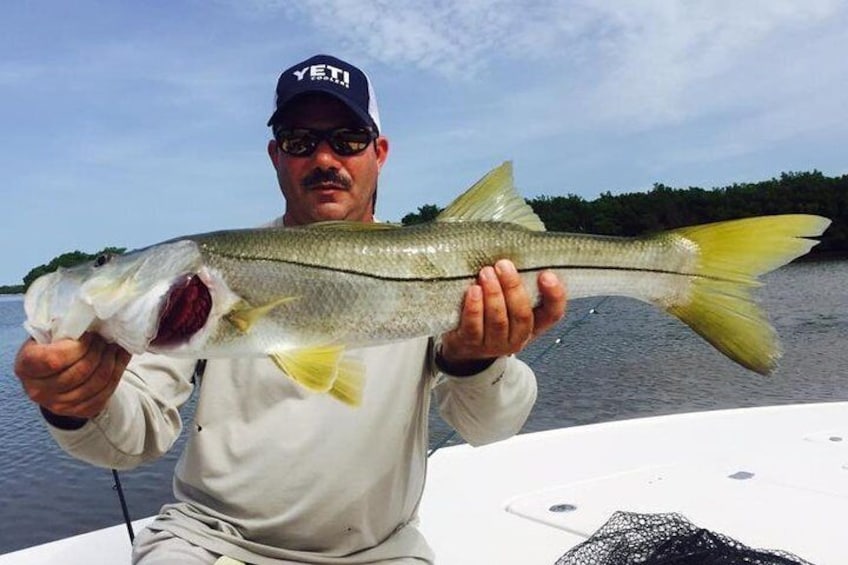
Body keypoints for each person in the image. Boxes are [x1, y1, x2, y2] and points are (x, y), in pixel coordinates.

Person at [14, 54, 566, 564]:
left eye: (348, 139)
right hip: (210, 540)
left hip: (380, 552)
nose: (324, 159)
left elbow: (491, 427)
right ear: (276, 154)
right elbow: (129, 440)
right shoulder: (200, 283)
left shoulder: (441, 260)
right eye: (299, 141)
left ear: (380, 152)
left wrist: (476, 361)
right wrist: (76, 404)